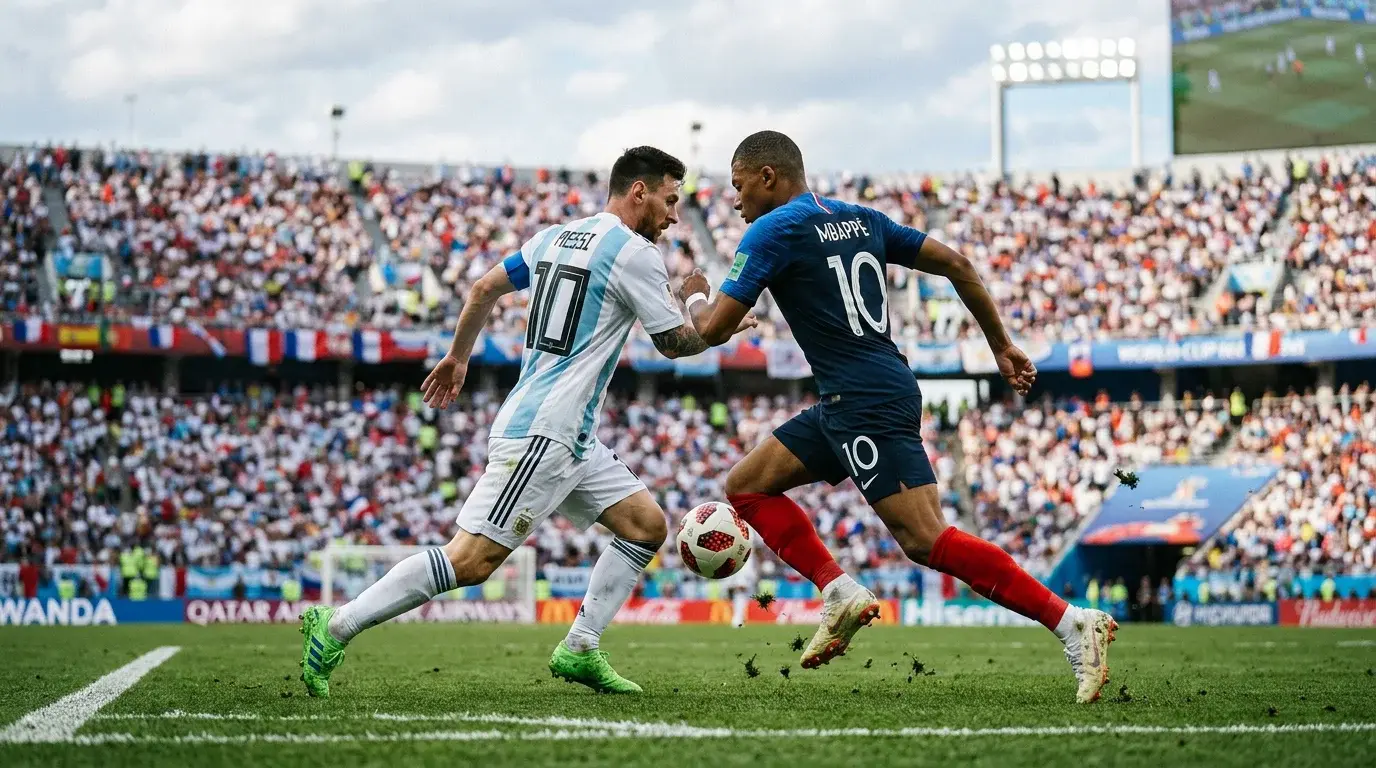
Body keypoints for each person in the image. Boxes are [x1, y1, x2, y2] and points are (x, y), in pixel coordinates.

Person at [297, 146, 756, 698]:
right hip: (545, 432)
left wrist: (458, 356)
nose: (675, 215)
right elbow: (677, 344)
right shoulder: (635, 253)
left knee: (645, 527)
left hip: (572, 437)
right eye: (670, 199)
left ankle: (580, 646)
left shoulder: (554, 237)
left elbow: (483, 288)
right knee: (471, 561)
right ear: (639, 191)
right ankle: (336, 625)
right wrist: (704, 301)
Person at [680, 130, 1118, 703]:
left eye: (739, 187)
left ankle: (1070, 622)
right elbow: (958, 264)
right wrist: (1001, 346)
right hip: (854, 397)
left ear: (769, 176)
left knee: (926, 540)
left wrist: (695, 294)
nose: (736, 201)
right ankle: (839, 591)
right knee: (747, 485)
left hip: (864, 401)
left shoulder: (773, 229)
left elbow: (711, 329)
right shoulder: (863, 219)